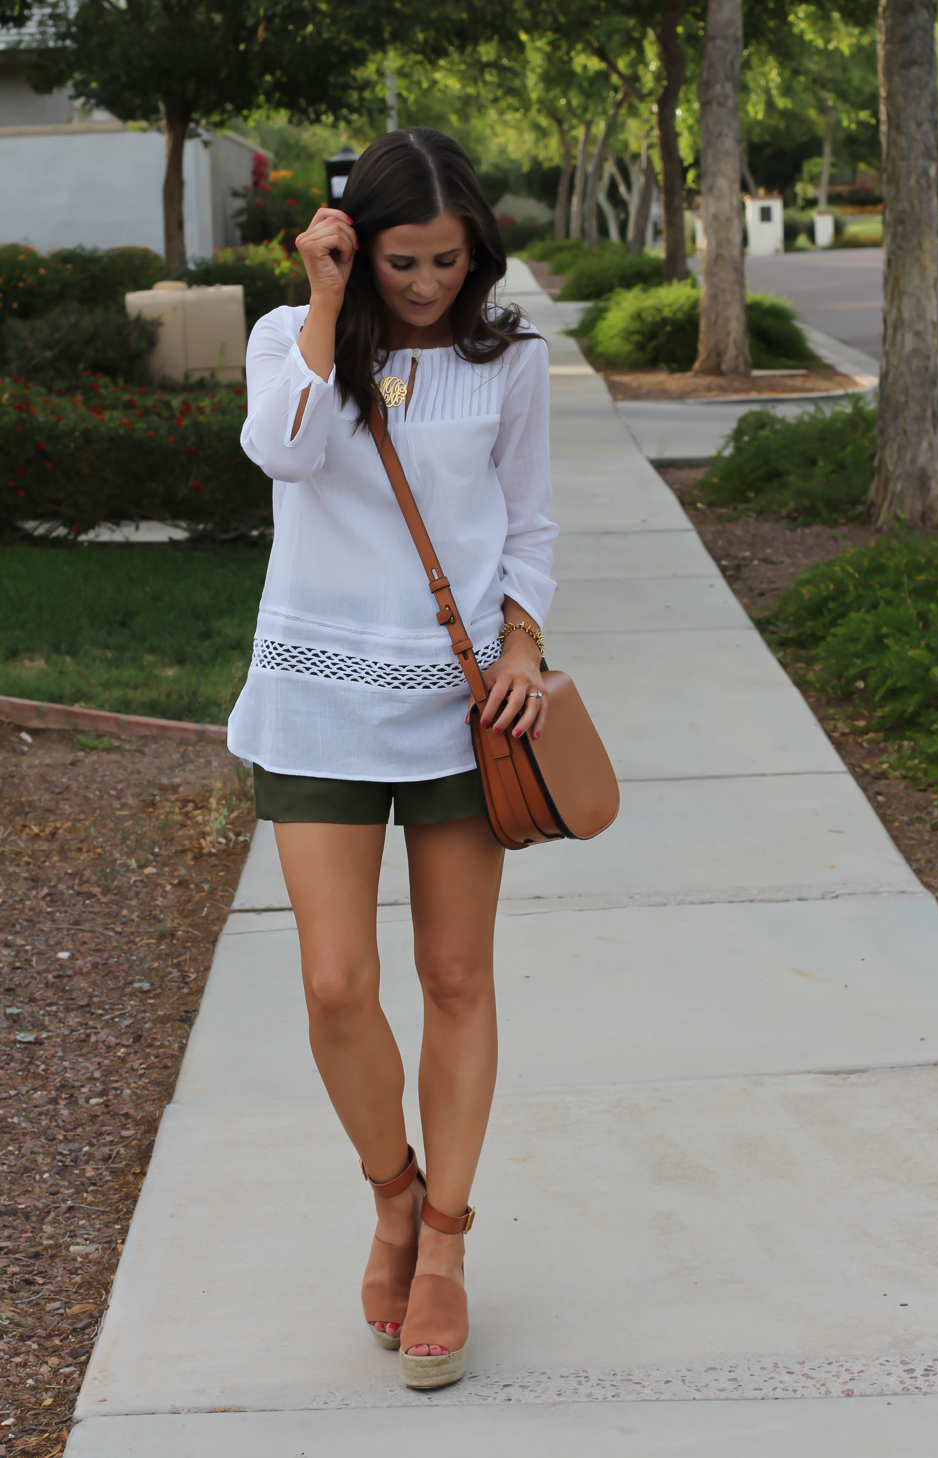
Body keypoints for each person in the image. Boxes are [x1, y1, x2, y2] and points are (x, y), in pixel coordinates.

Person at [226, 127, 557, 1390]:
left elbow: (528, 518)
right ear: (353, 242)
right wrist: (323, 298)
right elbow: (283, 450)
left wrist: (524, 641)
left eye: (448, 262)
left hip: (464, 709)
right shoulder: (289, 339)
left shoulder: (505, 360)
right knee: (332, 986)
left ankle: (448, 1241)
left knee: (456, 976)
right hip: (315, 693)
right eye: (402, 261)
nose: (426, 286)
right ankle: (391, 1196)